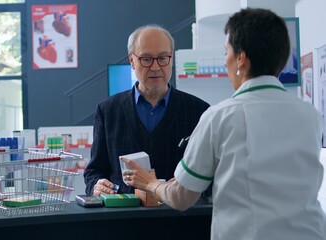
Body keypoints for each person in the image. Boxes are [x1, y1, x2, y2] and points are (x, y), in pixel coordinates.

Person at [121, 8, 326, 240]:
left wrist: (152, 184)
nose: (225, 61)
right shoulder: (310, 115)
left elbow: (181, 197)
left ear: (241, 58)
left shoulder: (219, 117)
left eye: (226, 52)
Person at [84, 24, 210, 196]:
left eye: (163, 58)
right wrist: (96, 186)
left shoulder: (199, 111)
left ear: (171, 59)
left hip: (179, 218)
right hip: (123, 218)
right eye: (146, 59)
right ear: (131, 61)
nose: (156, 67)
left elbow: (208, 174)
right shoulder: (108, 111)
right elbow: (94, 171)